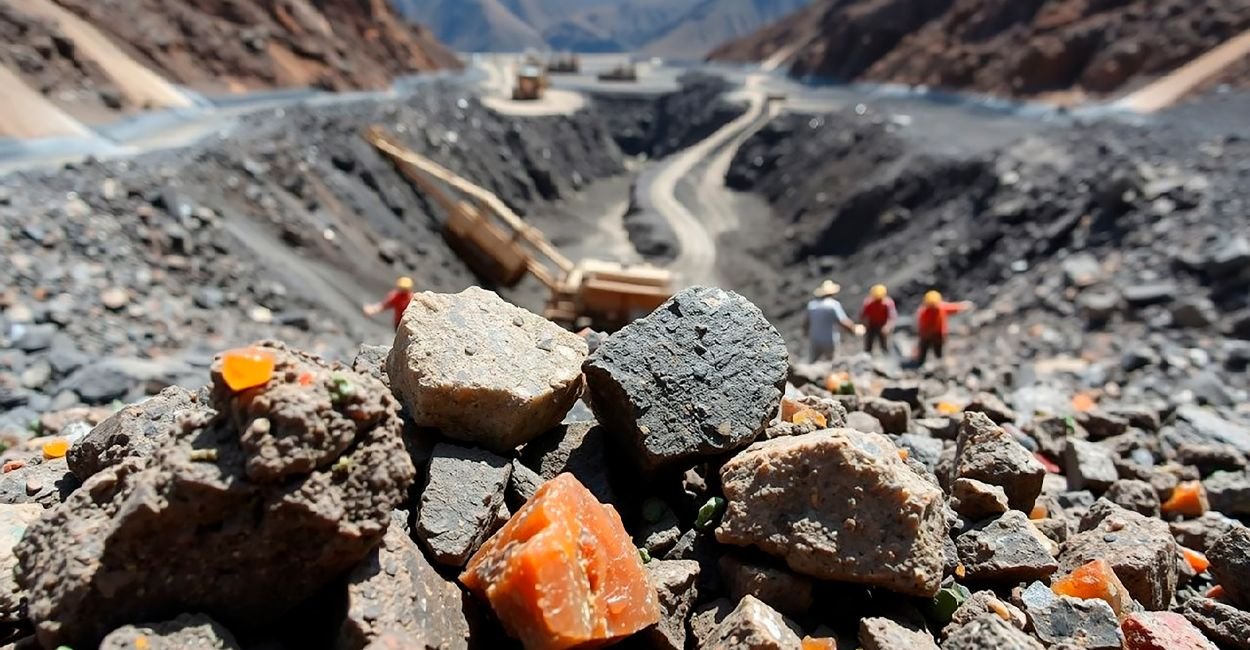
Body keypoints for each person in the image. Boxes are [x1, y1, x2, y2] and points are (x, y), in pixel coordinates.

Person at [803, 280, 863, 362]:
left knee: (813, 362)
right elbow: (843, 321)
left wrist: (806, 333)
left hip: (815, 339)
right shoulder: (833, 305)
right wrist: (853, 329)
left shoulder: (812, 305)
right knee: (832, 362)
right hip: (829, 339)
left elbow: (806, 323)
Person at [915, 290, 974, 365]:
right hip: (926, 335)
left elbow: (953, 308)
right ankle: (920, 362)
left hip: (938, 334)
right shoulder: (924, 313)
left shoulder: (941, 307)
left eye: (934, 305)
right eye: (931, 305)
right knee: (923, 350)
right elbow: (921, 325)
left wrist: (964, 306)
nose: (933, 307)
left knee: (938, 350)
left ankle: (939, 364)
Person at [859, 284, 897, 354]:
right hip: (871, 325)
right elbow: (863, 315)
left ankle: (887, 357)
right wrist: (863, 325)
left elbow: (892, 316)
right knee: (868, 344)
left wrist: (887, 327)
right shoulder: (869, 303)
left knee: (885, 344)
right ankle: (867, 357)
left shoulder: (887, 303)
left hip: (883, 325)